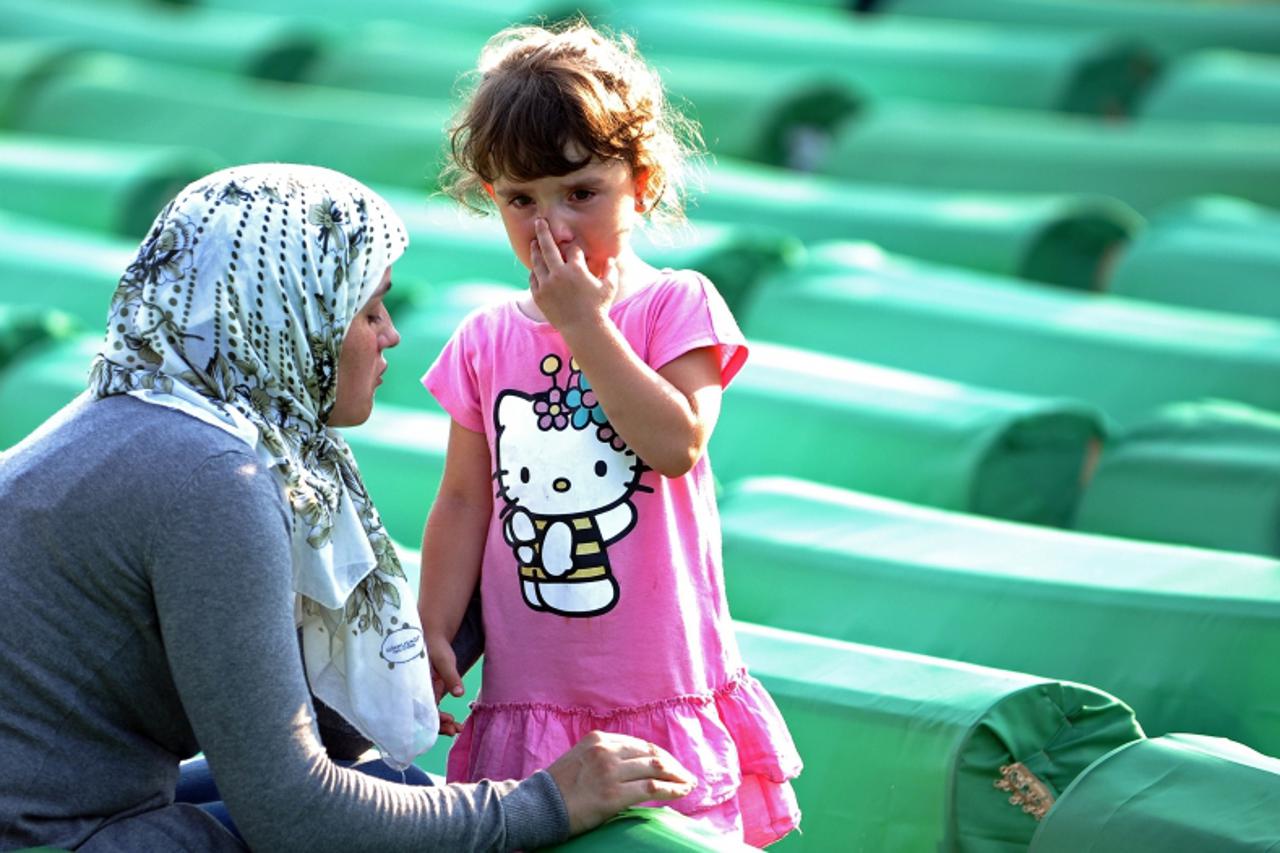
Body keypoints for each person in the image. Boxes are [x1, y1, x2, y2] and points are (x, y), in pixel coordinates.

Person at [0, 163, 695, 852]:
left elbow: (313, 739)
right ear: (291, 318)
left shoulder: (154, 414)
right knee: (406, 810)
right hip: (42, 836)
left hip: (68, 805)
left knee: (387, 779)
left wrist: (459, 626)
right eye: (368, 309)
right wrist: (546, 801)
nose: (389, 333)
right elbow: (297, 816)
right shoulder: (214, 476)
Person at [418, 22, 803, 847]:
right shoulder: (485, 339)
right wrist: (434, 624)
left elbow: (677, 443)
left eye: (579, 192)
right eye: (522, 199)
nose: (550, 224)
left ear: (643, 181)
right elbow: (461, 499)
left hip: (656, 680)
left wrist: (586, 328)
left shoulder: (675, 307)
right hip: (532, 693)